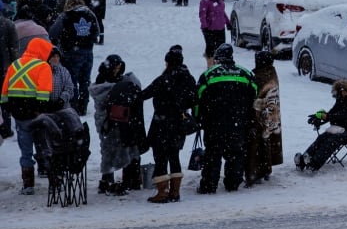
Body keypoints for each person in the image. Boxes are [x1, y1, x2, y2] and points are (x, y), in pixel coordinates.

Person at [2, 37, 63, 194]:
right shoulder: (43, 66)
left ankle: (28, 185)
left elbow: (4, 93)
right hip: (37, 116)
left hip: (19, 116)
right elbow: (44, 95)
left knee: (25, 150)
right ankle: (53, 181)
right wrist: (40, 110)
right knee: (45, 147)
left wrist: (12, 109)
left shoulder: (14, 65)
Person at [195, 43, 257, 193]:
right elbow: (254, 95)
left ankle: (209, 185)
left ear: (218, 58)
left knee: (213, 155)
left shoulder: (208, 75)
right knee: (235, 153)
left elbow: (198, 99)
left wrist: (197, 118)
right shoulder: (245, 74)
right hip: (239, 122)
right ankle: (233, 183)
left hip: (214, 122)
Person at [139, 45, 197, 203]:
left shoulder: (163, 79)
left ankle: (162, 192)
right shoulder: (189, 79)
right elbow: (194, 99)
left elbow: (144, 95)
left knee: (160, 157)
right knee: (174, 156)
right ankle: (175, 192)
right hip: (179, 123)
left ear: (168, 63)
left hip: (162, 124)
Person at [90, 54, 147, 195]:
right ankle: (108, 180)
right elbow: (102, 104)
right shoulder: (102, 85)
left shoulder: (123, 81)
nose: (117, 70)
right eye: (115, 67)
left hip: (123, 121)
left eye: (119, 67)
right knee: (109, 151)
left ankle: (129, 180)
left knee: (127, 148)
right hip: (108, 123)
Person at [294, 78, 347, 172]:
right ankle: (303, 161)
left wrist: (329, 116)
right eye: (341, 90)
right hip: (337, 129)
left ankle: (314, 164)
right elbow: (331, 114)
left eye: (344, 90)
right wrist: (319, 118)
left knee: (332, 140)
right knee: (322, 138)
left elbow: (345, 115)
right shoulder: (340, 101)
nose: (342, 92)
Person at [48, 0, 101, 115]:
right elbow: (97, 32)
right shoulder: (90, 14)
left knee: (71, 80)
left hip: (70, 52)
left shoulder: (65, 16)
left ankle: (74, 106)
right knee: (85, 80)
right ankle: (84, 105)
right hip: (88, 51)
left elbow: (53, 33)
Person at [246, 50, 282, 186]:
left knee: (256, 144)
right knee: (266, 142)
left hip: (260, 115)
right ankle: (266, 169)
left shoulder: (260, 76)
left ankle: (256, 172)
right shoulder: (271, 73)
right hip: (269, 116)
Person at [199, 0, 230, 66]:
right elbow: (202, 15)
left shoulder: (220, 1)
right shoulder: (205, 2)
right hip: (209, 29)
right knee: (210, 47)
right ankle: (210, 64)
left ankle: (219, 62)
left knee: (221, 47)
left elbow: (223, 13)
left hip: (220, 28)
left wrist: (228, 22)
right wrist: (204, 26)